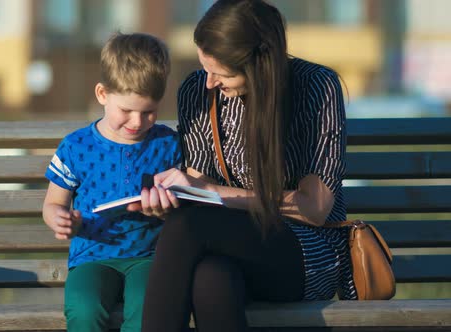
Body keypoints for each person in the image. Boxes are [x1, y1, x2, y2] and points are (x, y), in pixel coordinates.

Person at [130, 1, 355, 331]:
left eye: (222, 73)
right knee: (211, 278)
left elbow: (315, 207)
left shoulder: (315, 87)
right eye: (206, 68)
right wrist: (169, 200)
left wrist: (212, 193)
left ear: (260, 65)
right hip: (226, 243)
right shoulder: (196, 90)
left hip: (306, 250)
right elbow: (199, 189)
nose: (209, 82)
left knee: (190, 225)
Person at [42, 32, 181, 332]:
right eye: (126, 110)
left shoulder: (169, 145)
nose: (136, 122)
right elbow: (53, 203)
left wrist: (170, 207)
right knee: (83, 307)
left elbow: (186, 201)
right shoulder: (77, 146)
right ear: (103, 95)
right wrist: (60, 219)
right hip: (92, 256)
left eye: (148, 112)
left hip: (149, 257)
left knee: (150, 309)